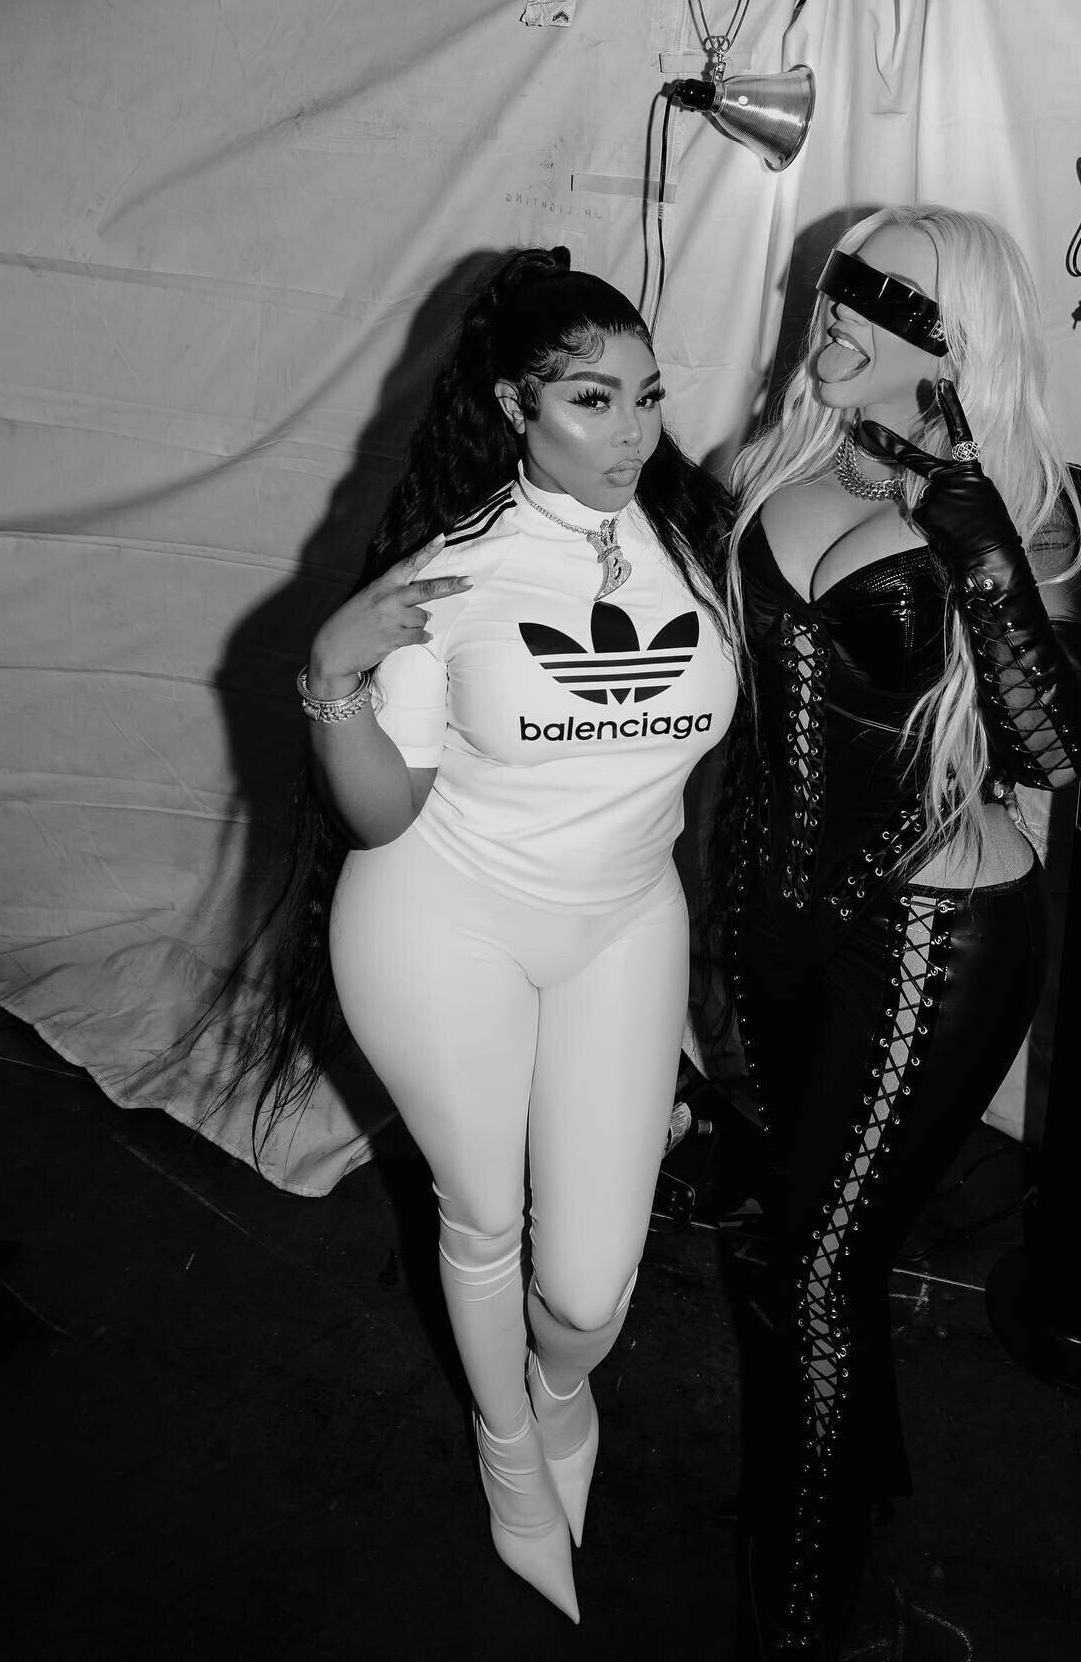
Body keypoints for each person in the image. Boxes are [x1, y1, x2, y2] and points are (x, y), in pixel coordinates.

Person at [240, 248, 738, 1622]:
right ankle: (509, 1444)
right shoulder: (450, 575)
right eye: (593, 399)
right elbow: (381, 814)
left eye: (647, 396)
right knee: (484, 1216)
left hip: (623, 921)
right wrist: (332, 674)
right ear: (516, 405)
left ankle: (557, 1386)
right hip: (442, 924)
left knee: (589, 1289)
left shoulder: (697, 538)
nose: (632, 432)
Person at [720, 206, 1081, 1659]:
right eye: (837, 291)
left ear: (951, 346)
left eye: (876, 305)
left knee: (818, 1269)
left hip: (933, 940)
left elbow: (1060, 753)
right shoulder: (782, 460)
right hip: (771, 907)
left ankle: (808, 1609)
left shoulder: (1031, 504)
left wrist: (971, 526)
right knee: (802, 1233)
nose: (831, 318)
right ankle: (857, 1467)